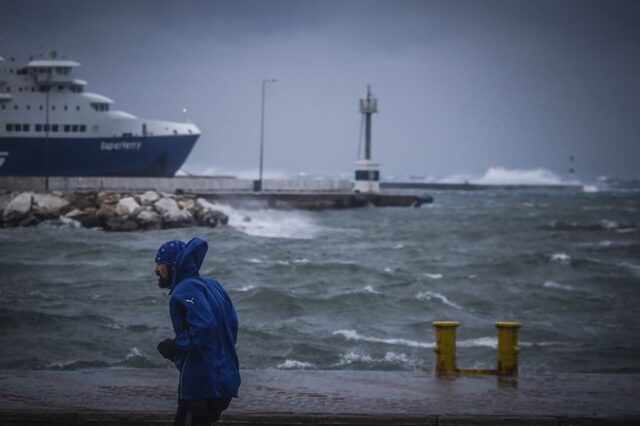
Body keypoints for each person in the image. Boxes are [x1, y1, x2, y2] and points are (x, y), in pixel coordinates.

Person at [154, 237, 240, 426]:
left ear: (173, 267)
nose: (156, 271)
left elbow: (205, 324)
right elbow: (232, 325)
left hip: (202, 384)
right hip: (225, 377)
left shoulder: (186, 292)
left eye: (160, 265)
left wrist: (177, 346)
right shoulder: (213, 285)